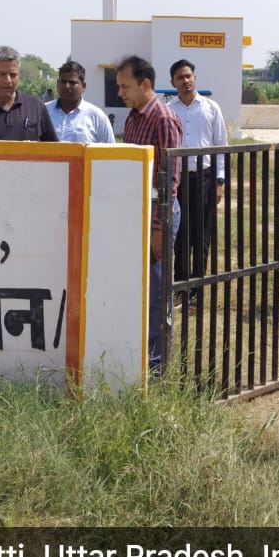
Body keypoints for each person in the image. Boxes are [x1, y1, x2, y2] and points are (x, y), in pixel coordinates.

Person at [117, 56, 183, 368]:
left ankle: (157, 361)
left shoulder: (163, 119)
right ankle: (138, 349)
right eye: (118, 87)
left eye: (125, 86)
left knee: (157, 289)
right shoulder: (133, 118)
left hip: (159, 213)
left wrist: (159, 227)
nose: (120, 92)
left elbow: (169, 178)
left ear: (145, 84)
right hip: (135, 210)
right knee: (137, 284)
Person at [167, 59, 228, 290]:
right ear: (172, 82)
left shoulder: (211, 108)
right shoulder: (169, 110)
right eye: (180, 77)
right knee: (180, 231)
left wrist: (220, 181)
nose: (185, 81)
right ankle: (181, 285)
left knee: (202, 232)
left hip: (205, 178)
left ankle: (197, 288)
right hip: (178, 179)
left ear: (195, 78)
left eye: (188, 76)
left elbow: (220, 145)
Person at [45, 61, 115, 144]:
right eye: (63, 82)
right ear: (57, 84)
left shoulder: (97, 116)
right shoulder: (43, 112)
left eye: (72, 82)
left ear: (83, 86)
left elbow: (111, 150)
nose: (66, 86)